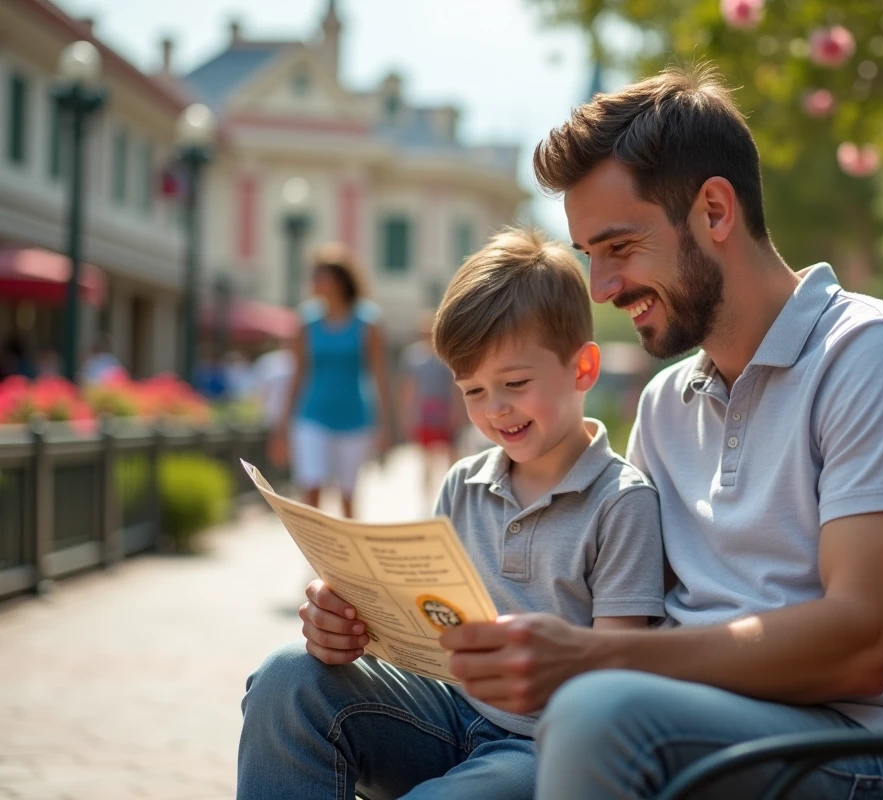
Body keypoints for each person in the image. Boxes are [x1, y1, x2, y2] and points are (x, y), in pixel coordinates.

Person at [427, 65, 883, 800]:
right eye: (589, 256)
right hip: (687, 722)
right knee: (302, 686)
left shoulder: (873, 358)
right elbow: (615, 594)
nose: (599, 287)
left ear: (716, 212)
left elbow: (862, 644)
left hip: (862, 749)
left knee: (601, 711)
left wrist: (599, 662)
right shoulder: (668, 404)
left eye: (619, 248)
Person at [238, 228, 666, 800]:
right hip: (442, 710)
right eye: (473, 391)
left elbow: (615, 681)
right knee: (286, 678)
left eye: (514, 383)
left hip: (540, 745)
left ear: (582, 370)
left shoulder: (622, 502)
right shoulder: (464, 482)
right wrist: (347, 619)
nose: (496, 410)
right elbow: (424, 630)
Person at [269, 242, 393, 519]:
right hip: (312, 416)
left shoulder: (368, 321)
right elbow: (297, 375)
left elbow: (379, 376)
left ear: (338, 280)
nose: (312, 282)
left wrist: (384, 424)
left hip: (355, 419)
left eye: (318, 275)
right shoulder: (306, 322)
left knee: (348, 497)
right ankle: (314, 561)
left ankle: (346, 561)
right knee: (311, 487)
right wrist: (282, 425)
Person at [398, 311, 464, 502]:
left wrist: (457, 410)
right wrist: (407, 413)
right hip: (424, 412)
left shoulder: (446, 356)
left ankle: (452, 496)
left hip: (444, 409)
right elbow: (408, 386)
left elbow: (454, 386)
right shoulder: (413, 356)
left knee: (450, 456)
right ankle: (428, 500)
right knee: (426, 460)